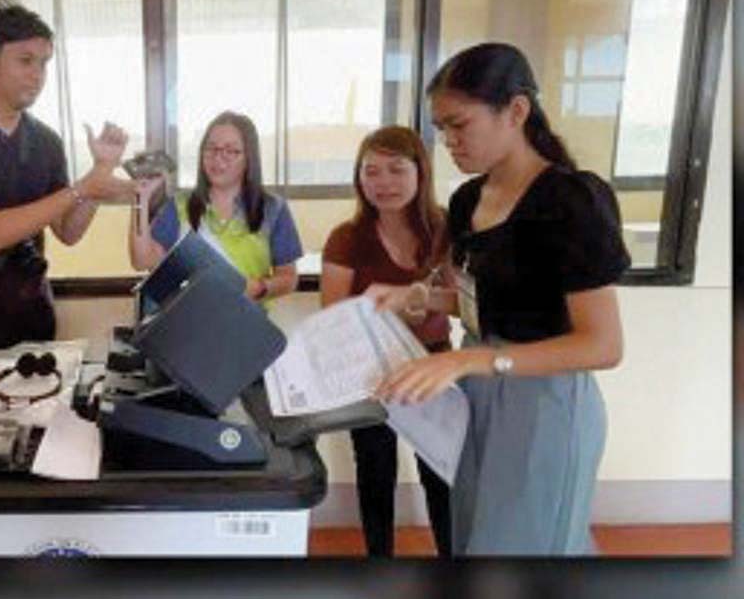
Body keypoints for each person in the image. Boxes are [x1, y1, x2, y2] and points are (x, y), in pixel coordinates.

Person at [367, 42, 630, 555]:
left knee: (530, 545)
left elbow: (603, 345)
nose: (448, 141)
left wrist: (476, 357)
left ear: (515, 111)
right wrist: (415, 297)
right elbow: (482, 301)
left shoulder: (572, 201)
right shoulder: (469, 199)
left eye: (459, 125)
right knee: (476, 539)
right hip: (479, 394)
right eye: (441, 129)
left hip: (545, 403)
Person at [0, 5, 134, 348]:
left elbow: (68, 231)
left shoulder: (46, 141)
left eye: (44, 63)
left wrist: (99, 173)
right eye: (25, 60)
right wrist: (81, 189)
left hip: (33, 322)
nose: (38, 75)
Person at [320, 125, 452, 558]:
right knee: (375, 470)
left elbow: (462, 303)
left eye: (397, 169)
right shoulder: (346, 237)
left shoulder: (446, 229)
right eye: (371, 172)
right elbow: (333, 318)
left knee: (440, 469)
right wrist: (385, 313)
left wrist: (423, 302)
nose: (384, 183)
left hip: (433, 364)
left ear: (421, 172)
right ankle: (380, 564)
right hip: (369, 370)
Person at [129, 111, 302, 306]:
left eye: (230, 151)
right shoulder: (179, 205)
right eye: (211, 149)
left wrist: (259, 288)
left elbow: (288, 278)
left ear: (249, 158)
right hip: (188, 322)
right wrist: (141, 199)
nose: (218, 158)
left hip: (248, 325)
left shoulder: (273, 209)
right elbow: (143, 261)